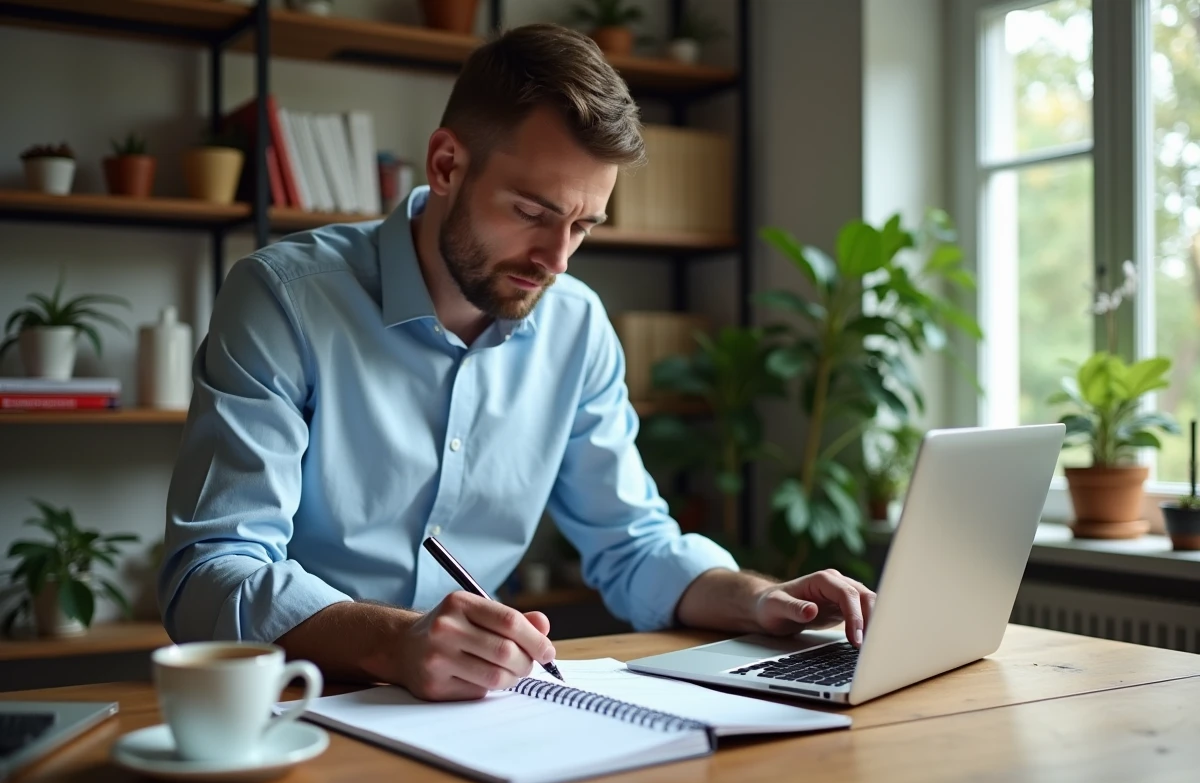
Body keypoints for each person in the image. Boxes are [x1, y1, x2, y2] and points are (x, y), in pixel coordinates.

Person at [158, 22, 875, 702]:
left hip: (476, 718)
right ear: (446, 165)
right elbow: (209, 574)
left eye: (583, 225)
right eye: (533, 212)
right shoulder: (284, 298)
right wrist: (396, 643)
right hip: (295, 704)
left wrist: (756, 597)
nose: (557, 260)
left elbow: (631, 545)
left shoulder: (577, 326)